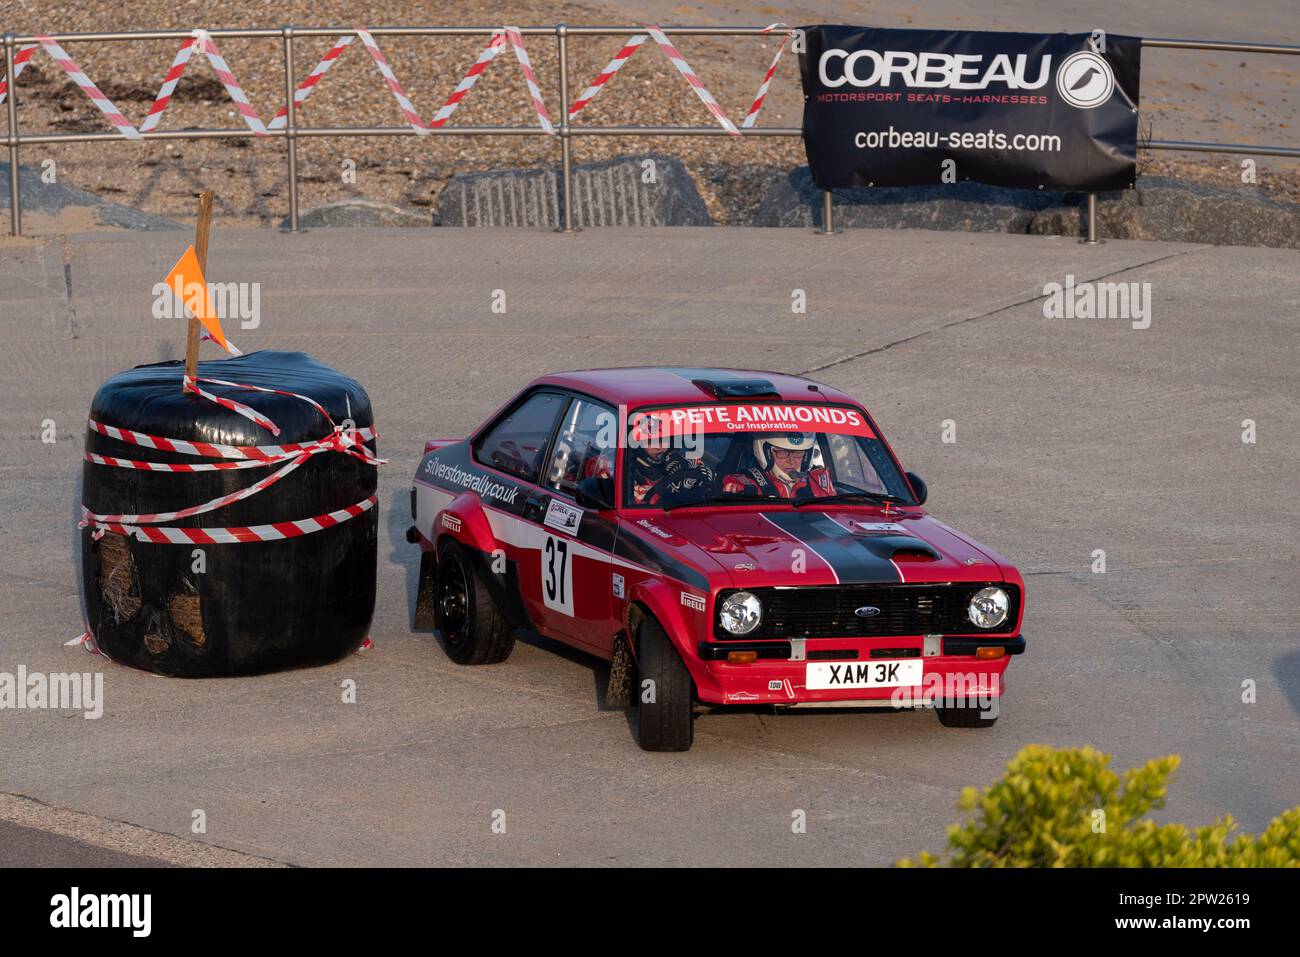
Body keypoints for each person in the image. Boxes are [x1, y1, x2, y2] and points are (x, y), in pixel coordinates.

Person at [722, 432, 836, 500]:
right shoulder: (744, 485)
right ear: (766, 453)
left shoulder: (818, 481)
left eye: (798, 453)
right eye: (782, 452)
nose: (791, 461)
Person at [627, 417, 715, 505]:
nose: (658, 447)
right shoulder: (628, 478)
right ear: (638, 445)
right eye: (650, 441)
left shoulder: (688, 461)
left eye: (663, 439)